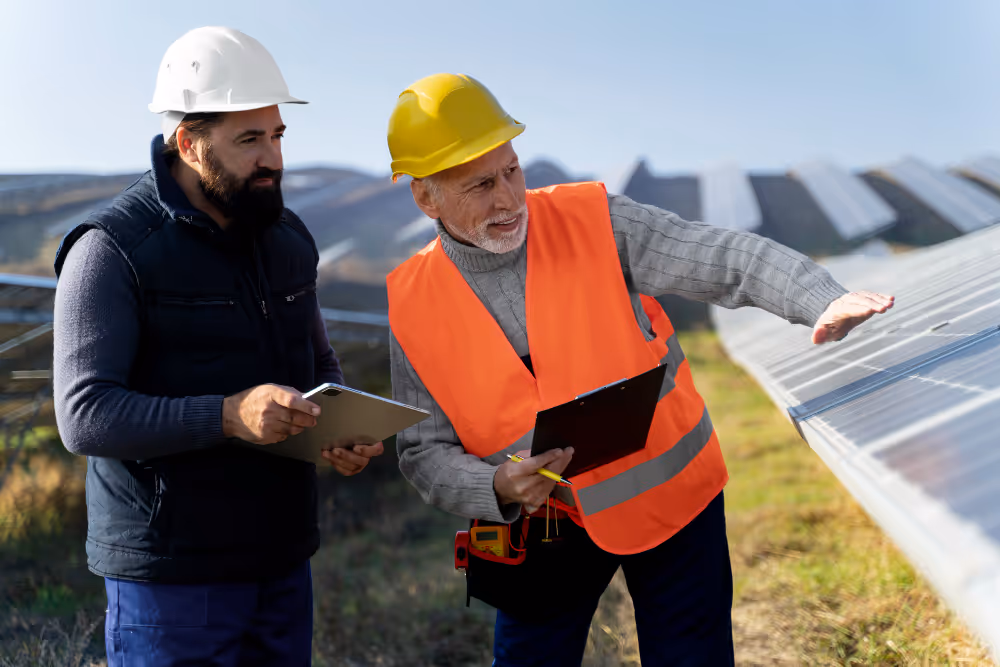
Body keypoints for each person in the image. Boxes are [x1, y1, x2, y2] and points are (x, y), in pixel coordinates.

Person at [385, 73, 894, 666]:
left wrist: (818, 296)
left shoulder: (595, 219)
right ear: (427, 198)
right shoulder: (412, 304)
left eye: (512, 171)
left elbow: (721, 255)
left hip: (672, 497)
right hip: (541, 527)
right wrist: (492, 487)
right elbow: (422, 452)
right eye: (480, 185)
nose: (508, 198)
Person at [52, 27, 382, 666]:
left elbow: (318, 364)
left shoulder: (288, 239)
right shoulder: (112, 249)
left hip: (283, 561)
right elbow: (84, 416)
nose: (274, 159)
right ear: (188, 143)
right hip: (172, 581)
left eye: (277, 135)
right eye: (249, 140)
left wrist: (338, 430)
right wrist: (230, 414)